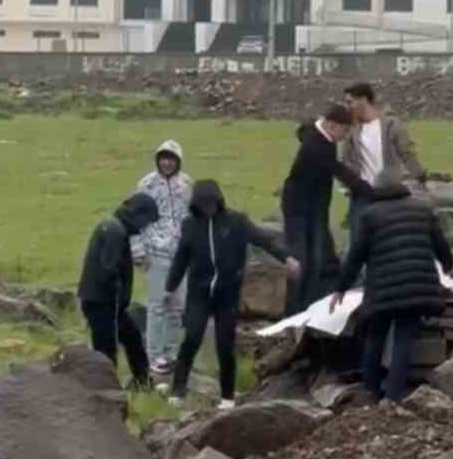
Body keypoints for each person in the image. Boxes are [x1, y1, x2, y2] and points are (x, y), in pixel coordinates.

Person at [165, 179, 300, 408]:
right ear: (196, 205)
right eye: (203, 204)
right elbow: (181, 259)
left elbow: (264, 240)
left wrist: (286, 258)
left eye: (212, 203)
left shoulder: (237, 222)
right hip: (199, 293)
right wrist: (170, 287)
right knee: (191, 339)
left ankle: (227, 397)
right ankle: (177, 391)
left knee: (225, 344)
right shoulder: (190, 225)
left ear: (219, 201)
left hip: (227, 293)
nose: (208, 208)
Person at [330, 179, 453, 405]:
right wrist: (448, 266)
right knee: (404, 338)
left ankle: (370, 390)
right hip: (417, 284)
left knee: (375, 334)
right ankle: (393, 396)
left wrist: (341, 288)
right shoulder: (422, 210)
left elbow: (356, 256)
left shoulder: (370, 215)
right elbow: (440, 243)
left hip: (382, 289)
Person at [280, 103, 371, 313]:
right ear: (332, 125)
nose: (345, 136)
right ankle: (294, 311)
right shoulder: (316, 145)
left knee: (319, 258)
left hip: (315, 209)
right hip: (299, 211)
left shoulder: (322, 138)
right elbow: (337, 169)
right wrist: (369, 190)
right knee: (302, 259)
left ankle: (311, 305)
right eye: (344, 130)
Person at [78, 192, 159, 388]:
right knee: (106, 351)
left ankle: (142, 382)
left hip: (105, 302)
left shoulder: (114, 227)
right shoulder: (115, 231)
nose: (143, 228)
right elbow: (109, 270)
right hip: (102, 303)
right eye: (145, 222)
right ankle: (107, 391)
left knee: (132, 337)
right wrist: (116, 298)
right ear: (138, 215)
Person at [131, 138, 192, 375]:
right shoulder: (146, 185)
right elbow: (134, 219)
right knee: (157, 306)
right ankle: (153, 355)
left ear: (178, 161)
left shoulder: (186, 185)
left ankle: (171, 353)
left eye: (171, 159)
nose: (167, 163)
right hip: (156, 253)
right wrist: (137, 251)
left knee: (177, 306)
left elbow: (192, 217)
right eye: (163, 158)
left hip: (181, 254)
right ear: (158, 160)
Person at [341, 82, 426, 250]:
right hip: (362, 194)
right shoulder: (352, 129)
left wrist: (419, 175)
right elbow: (346, 160)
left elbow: (407, 152)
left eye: (350, 102)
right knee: (358, 242)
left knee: (391, 240)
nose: (347, 106)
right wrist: (348, 184)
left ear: (363, 100)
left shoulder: (392, 125)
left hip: (389, 192)